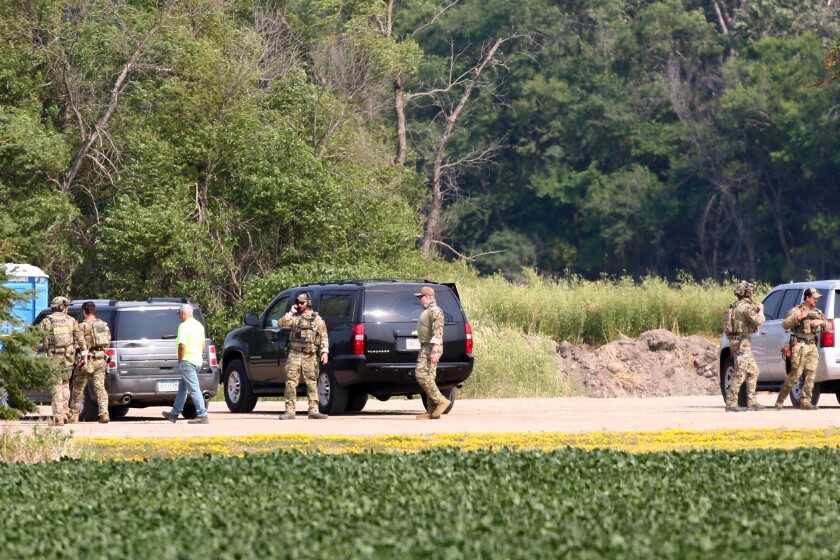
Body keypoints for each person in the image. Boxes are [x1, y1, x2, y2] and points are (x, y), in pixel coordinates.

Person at [775, 287, 832, 410]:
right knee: (795, 374)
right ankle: (781, 398)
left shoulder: (817, 312)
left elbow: (828, 326)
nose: (816, 300)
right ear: (807, 298)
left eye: (817, 298)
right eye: (814, 297)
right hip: (799, 345)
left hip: (812, 345)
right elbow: (785, 325)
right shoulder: (796, 310)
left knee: (811, 374)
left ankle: (805, 401)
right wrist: (799, 317)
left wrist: (821, 323)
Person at [278, 293, 329, 420]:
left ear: (308, 303)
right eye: (298, 303)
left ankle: (313, 410)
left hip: (310, 354)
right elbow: (281, 324)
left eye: (302, 303)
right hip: (295, 353)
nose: (299, 305)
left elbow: (323, 335)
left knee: (312, 382)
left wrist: (324, 351)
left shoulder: (316, 319)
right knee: (291, 382)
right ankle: (290, 411)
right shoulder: (294, 317)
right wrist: (290, 312)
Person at [40, 296, 88, 426]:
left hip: (53, 358)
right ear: (63, 307)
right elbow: (81, 340)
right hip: (68, 358)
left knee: (56, 387)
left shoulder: (46, 322)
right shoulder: (71, 321)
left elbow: (35, 340)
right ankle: (65, 413)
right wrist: (85, 356)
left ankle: (59, 417)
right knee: (65, 384)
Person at [161, 304, 209, 424]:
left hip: (187, 361)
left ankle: (202, 414)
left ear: (183, 313)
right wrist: (196, 352)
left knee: (194, 389)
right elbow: (203, 344)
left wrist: (180, 360)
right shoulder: (199, 325)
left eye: (179, 314)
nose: (179, 317)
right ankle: (174, 413)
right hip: (197, 360)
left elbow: (182, 345)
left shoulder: (183, 326)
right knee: (183, 388)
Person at [724, 282, 765, 412]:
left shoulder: (733, 307)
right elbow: (758, 321)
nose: (753, 294)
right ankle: (731, 403)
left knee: (753, 370)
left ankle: (752, 401)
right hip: (743, 344)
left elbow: (728, 329)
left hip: (739, 342)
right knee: (739, 373)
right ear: (746, 293)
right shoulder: (746, 308)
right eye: (751, 292)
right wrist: (761, 311)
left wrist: (732, 342)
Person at [68, 301, 111, 423]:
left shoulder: (82, 326)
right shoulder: (104, 325)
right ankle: (104, 413)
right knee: (100, 387)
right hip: (101, 359)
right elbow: (107, 342)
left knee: (78, 387)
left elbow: (78, 344)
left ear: (84, 312)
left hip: (86, 359)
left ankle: (74, 415)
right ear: (93, 311)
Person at [413, 286, 450, 420]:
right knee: (429, 376)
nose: (419, 300)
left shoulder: (435, 311)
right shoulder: (429, 310)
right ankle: (432, 411)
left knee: (421, 374)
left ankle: (441, 401)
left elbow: (437, 332)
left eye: (420, 297)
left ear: (428, 297)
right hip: (426, 347)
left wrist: (434, 350)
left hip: (431, 348)